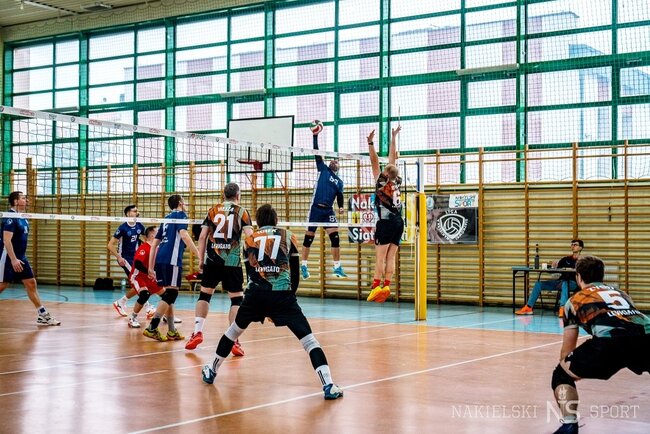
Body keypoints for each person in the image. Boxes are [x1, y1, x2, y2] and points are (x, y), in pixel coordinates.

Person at [201, 204, 343, 400]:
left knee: (233, 331)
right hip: (283, 295)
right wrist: (288, 299)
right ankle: (328, 385)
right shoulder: (288, 236)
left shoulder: (249, 240)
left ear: (258, 222)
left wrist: (262, 304)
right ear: (276, 220)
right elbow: (294, 273)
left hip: (255, 295)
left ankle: (211, 369)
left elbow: (250, 273)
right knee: (309, 341)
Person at [550, 255, 649, 434]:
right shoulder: (622, 294)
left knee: (561, 375)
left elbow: (567, 349)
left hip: (609, 342)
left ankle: (569, 425)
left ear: (578, 277)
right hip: (646, 336)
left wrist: (570, 367)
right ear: (602, 276)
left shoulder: (574, 301)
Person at [185, 183, 253, 354]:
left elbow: (202, 237)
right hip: (232, 262)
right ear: (238, 195)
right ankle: (234, 340)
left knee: (205, 295)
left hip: (212, 260)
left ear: (223, 195)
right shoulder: (242, 211)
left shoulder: (212, 210)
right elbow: (250, 238)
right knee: (236, 300)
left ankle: (197, 332)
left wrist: (201, 259)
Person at [142, 194, 200, 341]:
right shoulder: (181, 215)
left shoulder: (166, 218)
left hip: (160, 259)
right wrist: (199, 254)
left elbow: (154, 244)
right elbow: (184, 235)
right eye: (184, 201)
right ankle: (152, 328)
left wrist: (151, 267)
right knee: (171, 294)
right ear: (180, 203)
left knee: (169, 295)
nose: (185, 204)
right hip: (171, 260)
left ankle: (172, 330)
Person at [0, 191, 60, 325]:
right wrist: (13, 259)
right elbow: (6, 240)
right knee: (2, 285)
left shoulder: (23, 217)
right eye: (23, 198)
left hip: (21, 257)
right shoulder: (10, 218)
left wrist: (18, 258)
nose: (26, 200)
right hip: (8, 256)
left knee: (31, 282)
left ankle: (42, 314)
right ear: (16, 202)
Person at [300, 121, 347, 280]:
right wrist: (315, 136)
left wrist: (341, 207)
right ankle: (304, 265)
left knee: (335, 238)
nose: (334, 161)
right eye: (332, 160)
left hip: (328, 211)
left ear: (339, 167)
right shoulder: (323, 169)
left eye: (336, 161)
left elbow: (340, 196)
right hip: (315, 209)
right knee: (309, 238)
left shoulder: (339, 182)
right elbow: (316, 152)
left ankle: (337, 267)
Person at [366, 125, 403, 303]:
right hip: (399, 222)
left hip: (386, 222)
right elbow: (392, 160)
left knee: (380, 257)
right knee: (391, 256)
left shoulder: (382, 183)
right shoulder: (397, 181)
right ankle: (387, 285)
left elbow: (374, 161)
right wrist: (393, 137)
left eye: (384, 170)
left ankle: (375, 287)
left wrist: (370, 143)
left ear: (386, 174)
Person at [515, 239, 584, 317]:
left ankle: (563, 308)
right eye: (572, 244)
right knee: (538, 284)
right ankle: (528, 308)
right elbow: (554, 269)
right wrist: (551, 266)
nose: (573, 246)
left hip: (573, 283)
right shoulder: (565, 259)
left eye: (575, 245)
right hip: (560, 282)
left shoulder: (582, 261)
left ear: (580, 248)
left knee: (565, 283)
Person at [108, 204, 154, 318]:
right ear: (128, 213)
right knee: (138, 281)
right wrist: (119, 257)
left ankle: (121, 302)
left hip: (135, 257)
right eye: (134, 211)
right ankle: (148, 307)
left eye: (137, 211)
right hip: (125, 259)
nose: (137, 213)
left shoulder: (139, 225)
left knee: (138, 282)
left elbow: (147, 239)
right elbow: (110, 245)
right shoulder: (122, 228)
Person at [125, 226, 164, 328]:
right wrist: (149, 272)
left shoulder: (157, 248)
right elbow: (138, 264)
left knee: (167, 296)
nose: (160, 233)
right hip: (138, 277)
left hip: (149, 277)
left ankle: (166, 316)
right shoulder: (144, 247)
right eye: (158, 231)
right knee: (144, 295)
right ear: (152, 235)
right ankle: (132, 318)